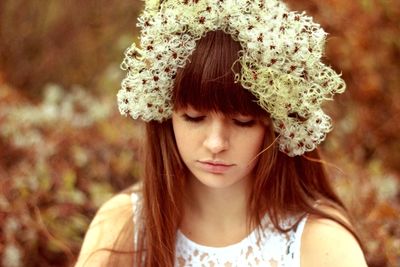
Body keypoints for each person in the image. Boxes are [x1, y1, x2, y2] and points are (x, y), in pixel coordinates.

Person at [76, 0, 368, 266]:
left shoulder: (322, 245)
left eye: (242, 121)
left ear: (276, 123)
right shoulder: (123, 229)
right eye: (194, 117)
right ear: (166, 116)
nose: (216, 143)